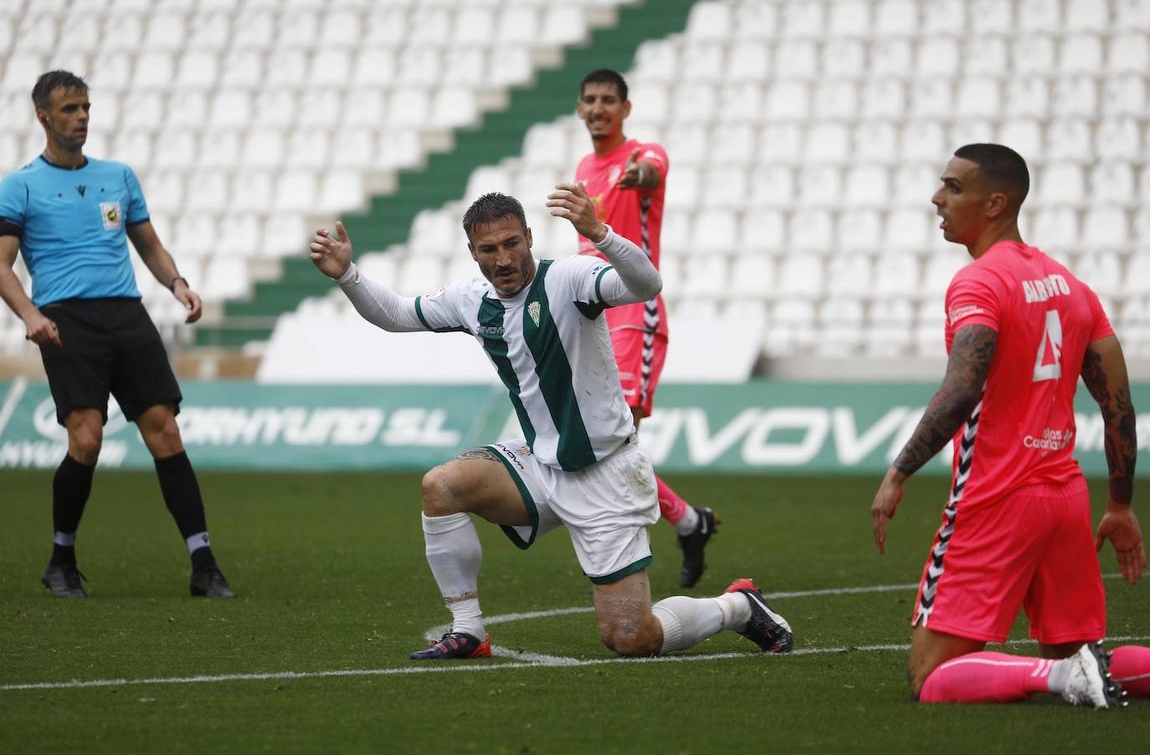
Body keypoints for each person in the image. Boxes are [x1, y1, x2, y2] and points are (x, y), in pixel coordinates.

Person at [309, 187, 792, 660]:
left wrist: (600, 234)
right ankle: (468, 630)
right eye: (489, 250)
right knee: (441, 487)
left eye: (512, 244)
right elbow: (396, 315)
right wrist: (347, 274)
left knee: (631, 638)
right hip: (539, 465)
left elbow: (647, 286)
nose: (503, 260)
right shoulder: (470, 298)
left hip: (606, 474)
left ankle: (737, 607)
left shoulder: (570, 279)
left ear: (530, 237)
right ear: (472, 252)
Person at [870, 143, 1150, 706]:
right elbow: (1118, 405)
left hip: (996, 497)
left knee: (931, 678)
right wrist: (1119, 504)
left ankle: (1063, 680)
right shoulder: (1073, 287)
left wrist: (898, 472)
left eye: (953, 187)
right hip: (1064, 499)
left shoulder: (979, 282)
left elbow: (962, 388)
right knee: (1081, 653)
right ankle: (1072, 674)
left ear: (995, 203)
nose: (937, 198)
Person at [0, 70, 234, 599]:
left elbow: (148, 244)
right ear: (43, 117)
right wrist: (30, 316)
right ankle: (61, 559)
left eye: (85, 107)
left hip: (127, 315)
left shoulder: (118, 176)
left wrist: (177, 284)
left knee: (166, 431)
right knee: (86, 439)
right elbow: (2, 264)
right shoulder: (21, 185)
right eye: (69, 109)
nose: (81, 117)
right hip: (66, 319)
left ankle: (204, 565)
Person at [574, 68, 718, 588]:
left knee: (618, 439)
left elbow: (652, 172)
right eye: (590, 100)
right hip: (593, 315)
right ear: (580, 108)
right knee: (606, 444)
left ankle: (633, 547)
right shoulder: (584, 166)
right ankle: (689, 522)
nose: (598, 108)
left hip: (635, 314)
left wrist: (641, 176)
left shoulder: (643, 153)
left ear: (625, 109)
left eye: (608, 100)